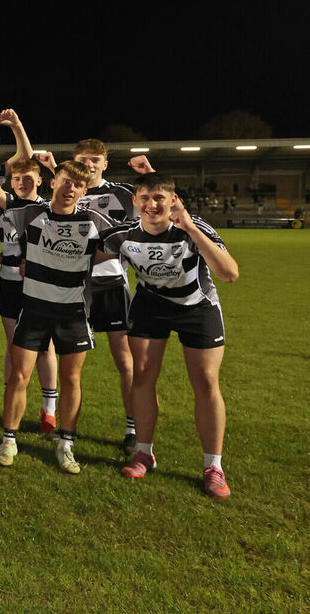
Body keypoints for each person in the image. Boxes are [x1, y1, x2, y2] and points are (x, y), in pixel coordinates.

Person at [104, 173, 239, 499]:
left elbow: (229, 273)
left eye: (159, 198)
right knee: (143, 375)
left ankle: (213, 466)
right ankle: (144, 453)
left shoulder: (195, 229)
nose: (152, 205)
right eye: (145, 199)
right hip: (150, 307)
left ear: (173, 200)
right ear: (135, 202)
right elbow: (90, 261)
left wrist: (191, 227)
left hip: (198, 308)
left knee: (206, 381)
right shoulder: (121, 235)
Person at [0, 160, 116, 474]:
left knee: (71, 378)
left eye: (77, 185)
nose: (69, 189)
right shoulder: (28, 214)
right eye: (64, 181)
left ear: (84, 189)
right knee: (19, 376)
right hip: (33, 308)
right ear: (53, 183)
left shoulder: (94, 221)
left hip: (73, 313)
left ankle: (66, 445)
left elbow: (123, 242)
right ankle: (9, 440)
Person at [37, 138, 153, 454]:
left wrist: (149, 171)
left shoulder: (122, 193)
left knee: (125, 361)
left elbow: (159, 203)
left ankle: (132, 429)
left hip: (111, 284)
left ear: (104, 163)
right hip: (74, 289)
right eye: (82, 160)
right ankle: (60, 424)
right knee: (69, 364)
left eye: (94, 160)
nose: (88, 165)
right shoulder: (68, 189)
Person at [0, 135, 61, 434]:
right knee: (15, 346)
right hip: (11, 283)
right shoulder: (5, 204)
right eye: (16, 178)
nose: (22, 182)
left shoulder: (51, 208)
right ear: (10, 183)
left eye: (28, 177)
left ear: (39, 180)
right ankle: (12, 401)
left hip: (42, 287)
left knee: (45, 348)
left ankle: (49, 411)